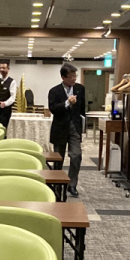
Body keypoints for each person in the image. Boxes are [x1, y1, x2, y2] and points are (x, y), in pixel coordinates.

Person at [48, 62, 85, 197]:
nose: (74, 79)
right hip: (60, 128)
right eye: (71, 77)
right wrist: (67, 103)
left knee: (76, 155)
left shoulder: (80, 89)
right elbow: (53, 109)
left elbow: (82, 109)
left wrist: (82, 128)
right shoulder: (54, 91)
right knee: (59, 159)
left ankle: (72, 184)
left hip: (74, 127)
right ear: (63, 77)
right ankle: (57, 185)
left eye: (75, 76)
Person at [0, 61, 16, 132]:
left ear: (8, 69)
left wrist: (5, 103)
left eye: (4, 68)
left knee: (3, 129)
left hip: (5, 110)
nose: (2, 70)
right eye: (0, 68)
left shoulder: (12, 81)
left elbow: (12, 97)